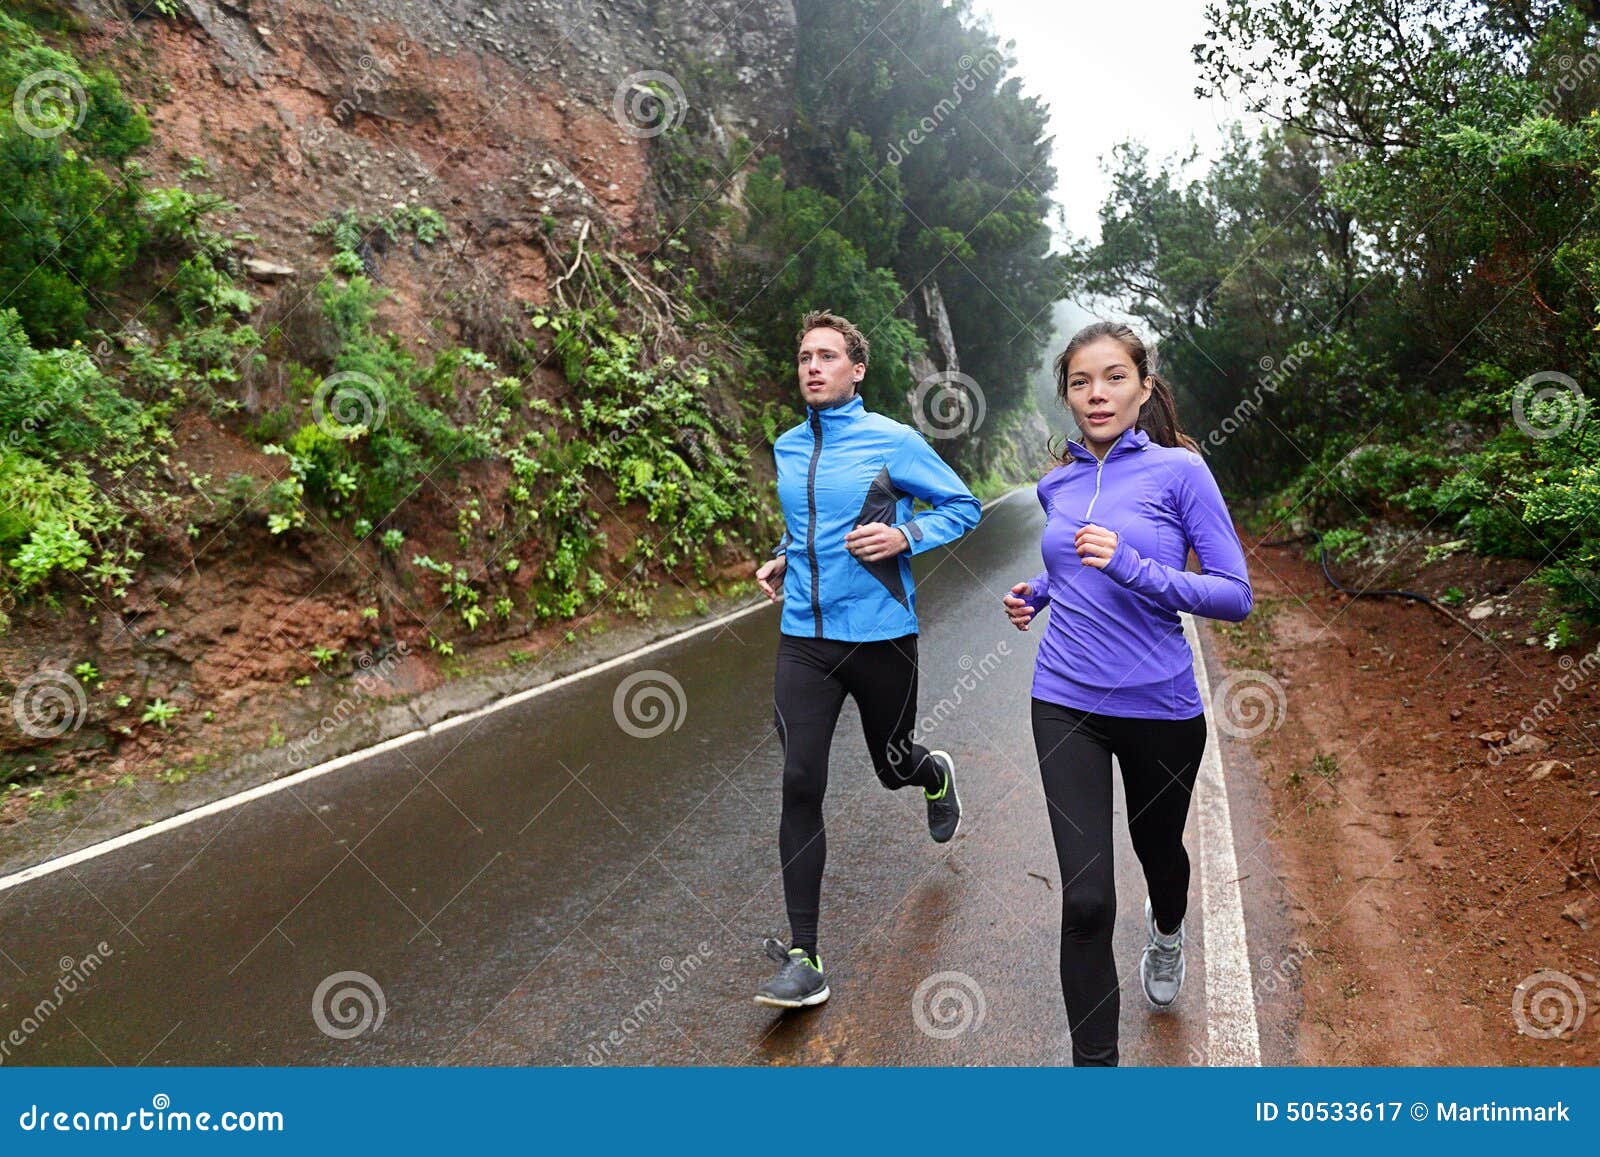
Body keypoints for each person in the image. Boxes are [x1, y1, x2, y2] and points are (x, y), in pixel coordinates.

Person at [1002, 320, 1252, 1065]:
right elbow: (1076, 563)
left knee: (1159, 855)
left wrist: (1135, 569)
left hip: (1160, 707)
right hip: (1066, 701)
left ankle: (1168, 929)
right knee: (1085, 901)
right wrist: (1040, 592)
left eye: (1114, 376)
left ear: (1144, 387)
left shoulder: (1181, 472)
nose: (1097, 393)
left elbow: (1235, 594)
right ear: (1067, 397)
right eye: (1081, 382)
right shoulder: (1059, 481)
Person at [750, 309, 982, 1009]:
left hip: (880, 636)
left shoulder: (894, 440)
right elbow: (809, 527)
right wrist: (787, 557)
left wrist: (904, 536)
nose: (812, 366)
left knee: (892, 765)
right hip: (805, 639)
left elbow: (964, 507)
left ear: (856, 370)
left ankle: (931, 771)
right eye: (803, 357)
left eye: (827, 356)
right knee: (799, 780)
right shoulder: (789, 446)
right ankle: (805, 955)